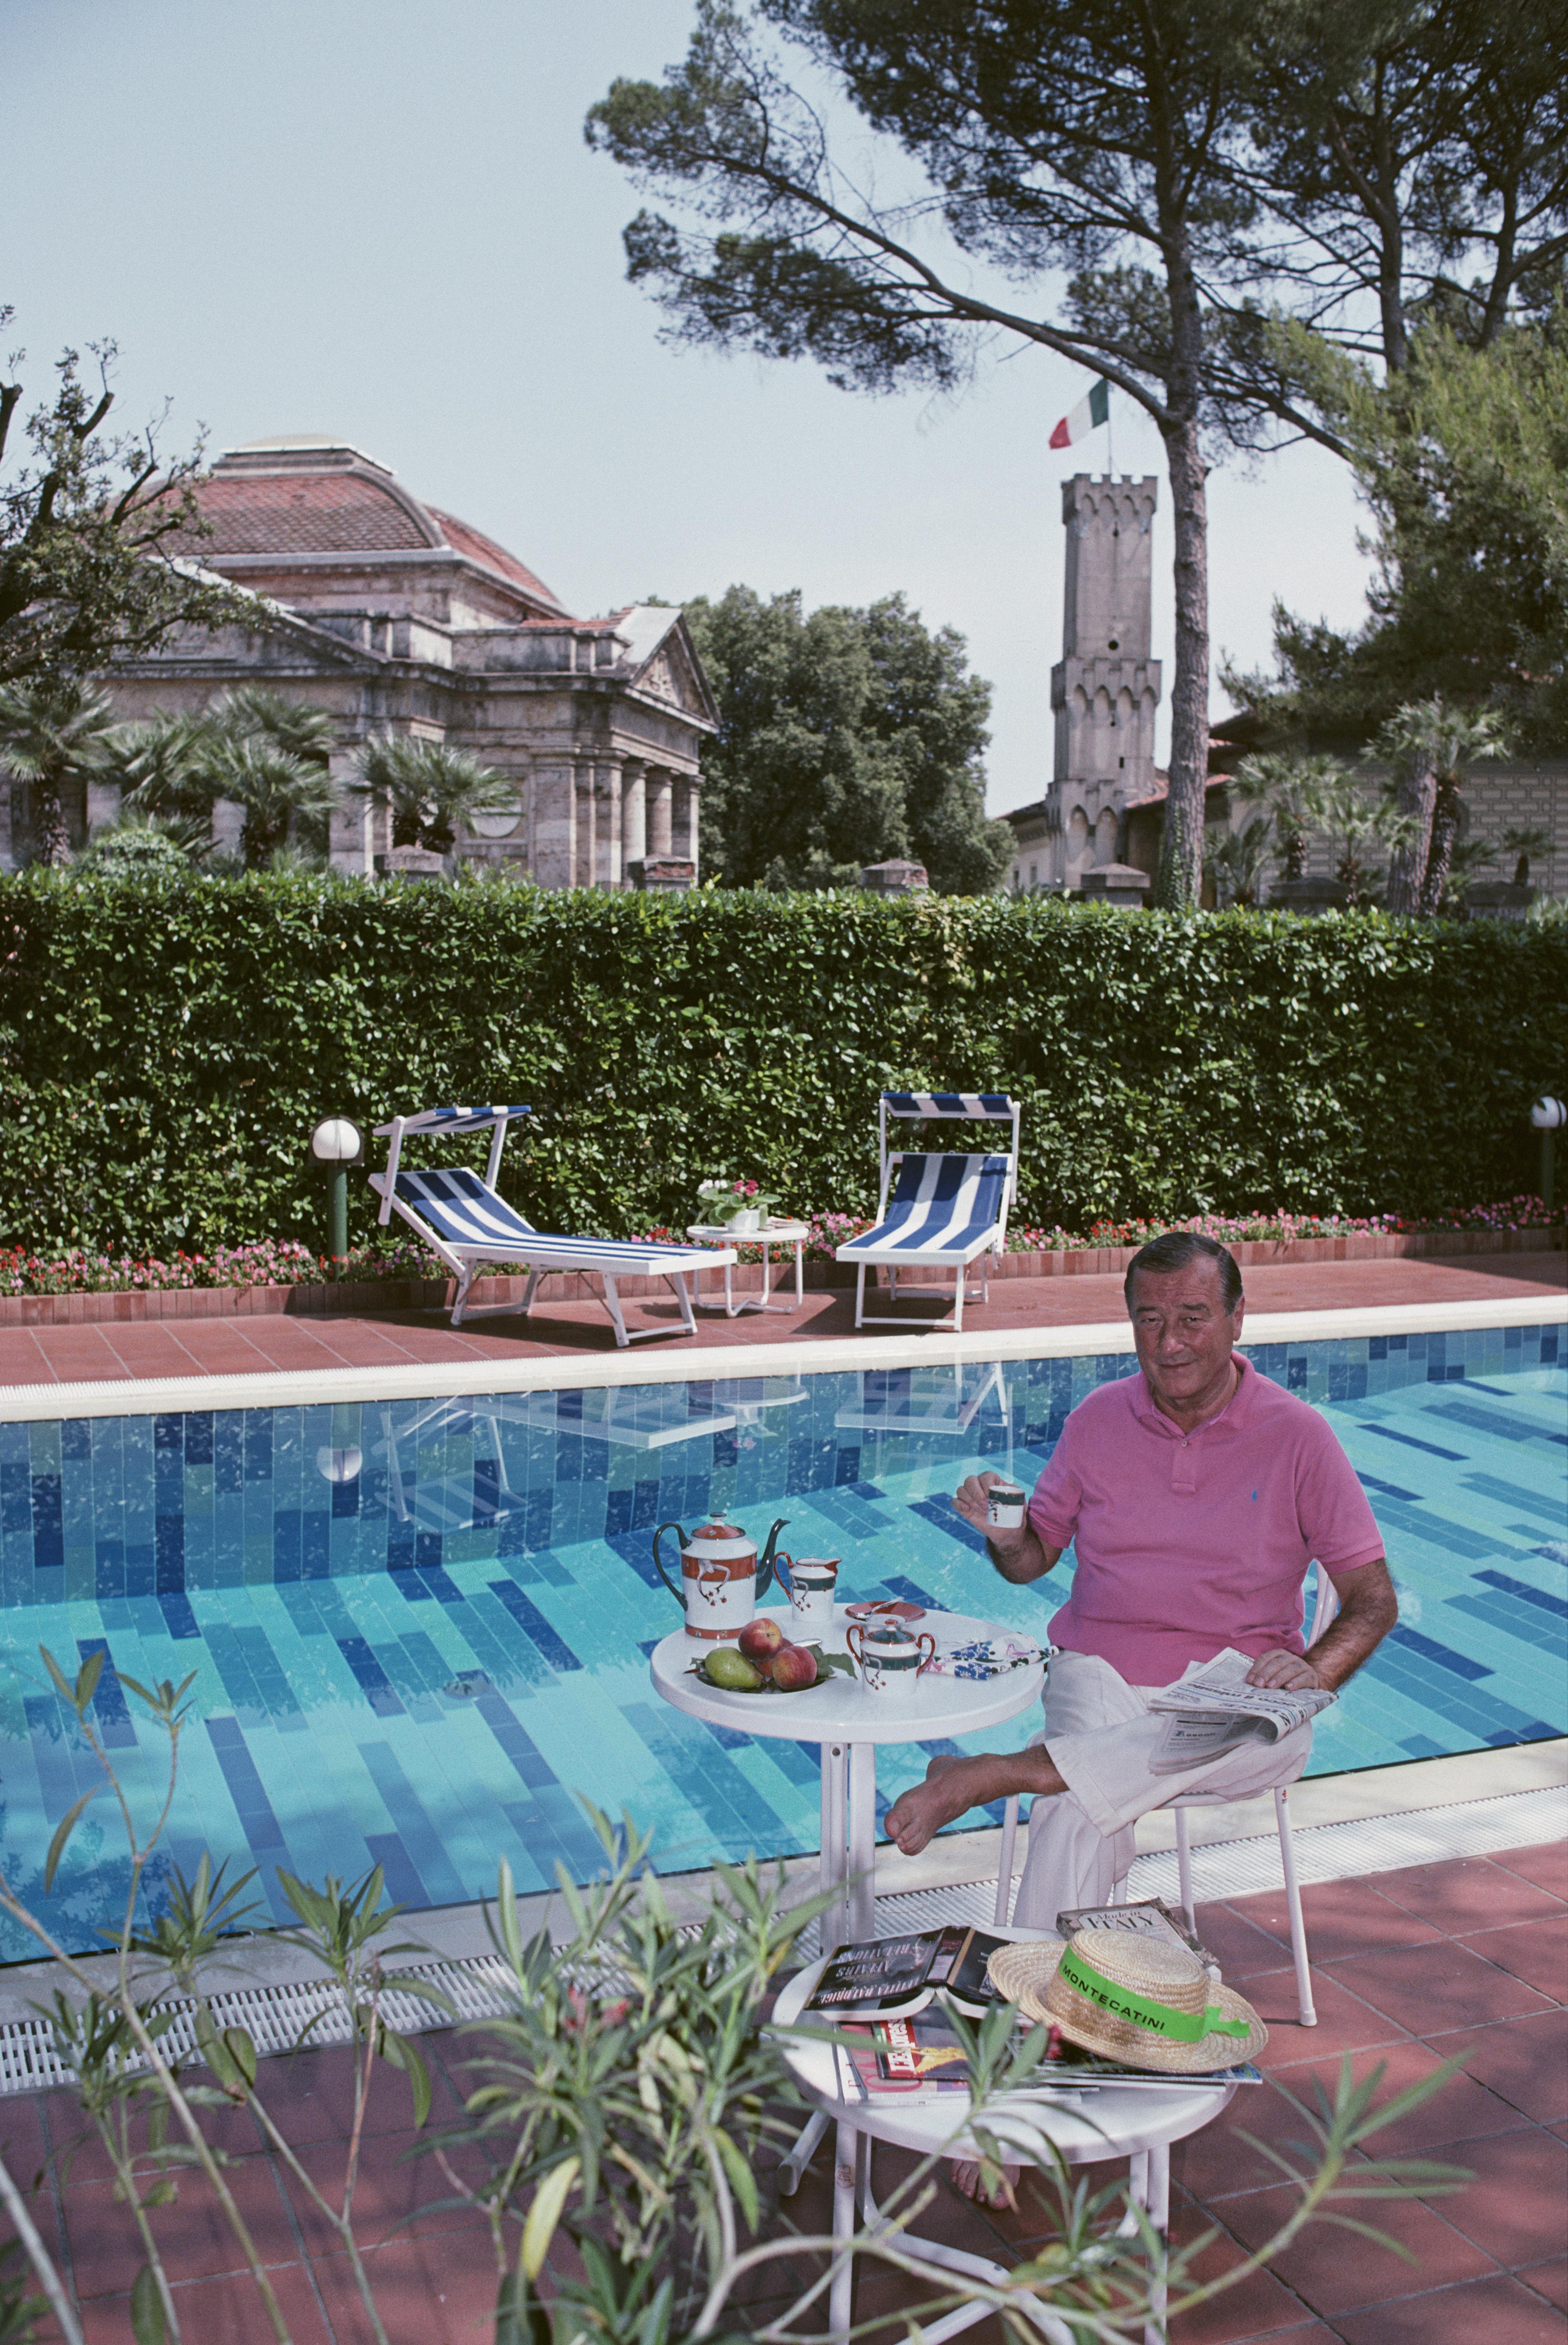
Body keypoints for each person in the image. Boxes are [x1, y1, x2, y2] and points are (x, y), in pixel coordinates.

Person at [884, 1228, 1398, 1937]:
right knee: (1079, 1798)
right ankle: (1060, 2017)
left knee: (1077, 1791)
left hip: (1239, 1697)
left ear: (1237, 1318)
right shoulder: (1098, 1420)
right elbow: (1033, 1561)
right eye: (1150, 1320)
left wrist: (1314, 1669)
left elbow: (1374, 1600)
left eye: (1193, 1317)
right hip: (1101, 1674)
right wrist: (1008, 1539)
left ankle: (1006, 1778)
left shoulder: (1298, 1436)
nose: (1170, 1342)